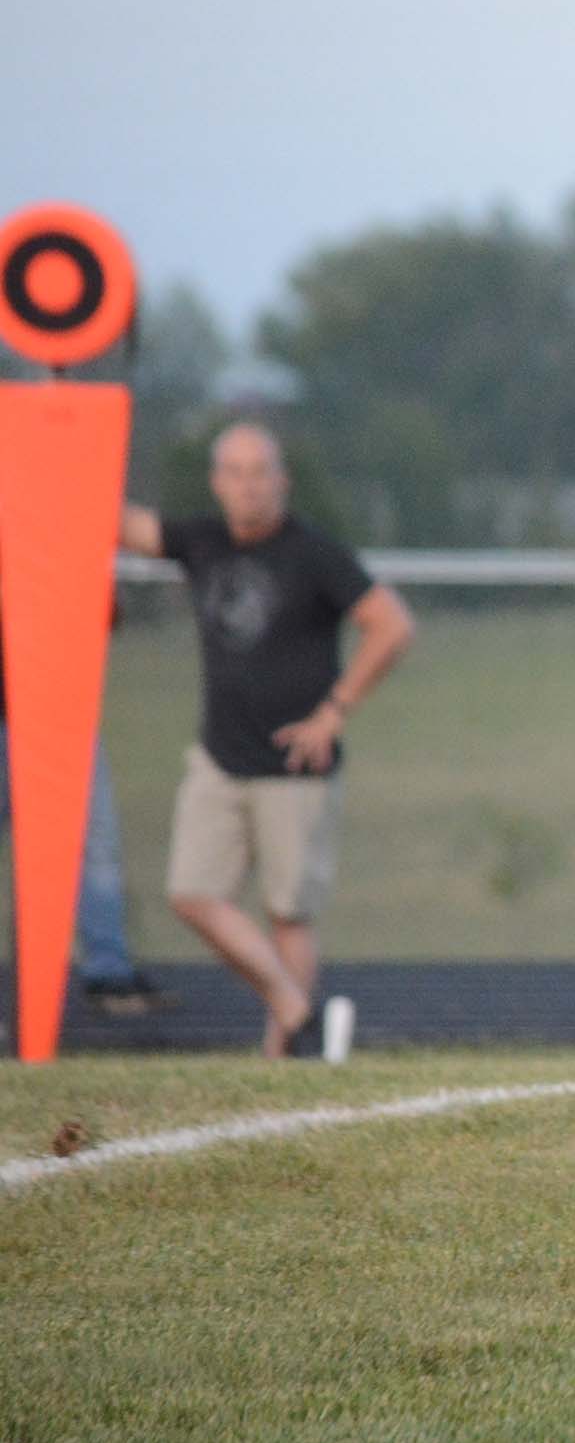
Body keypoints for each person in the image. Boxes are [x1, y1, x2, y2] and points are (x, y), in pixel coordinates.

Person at [118, 422, 415, 1059]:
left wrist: (333, 712)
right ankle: (294, 1008)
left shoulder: (313, 553)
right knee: (192, 893)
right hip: (220, 757)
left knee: (289, 913)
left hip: (293, 764)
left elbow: (390, 625)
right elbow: (124, 527)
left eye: (261, 472)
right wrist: (59, 444)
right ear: (217, 481)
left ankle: (287, 1060)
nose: (249, 486)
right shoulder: (202, 541)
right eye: (236, 472)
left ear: (281, 480)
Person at [0, 608, 174, 1016]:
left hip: (57, 717)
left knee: (93, 846)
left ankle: (108, 971)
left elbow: (103, 611)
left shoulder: (58, 546)